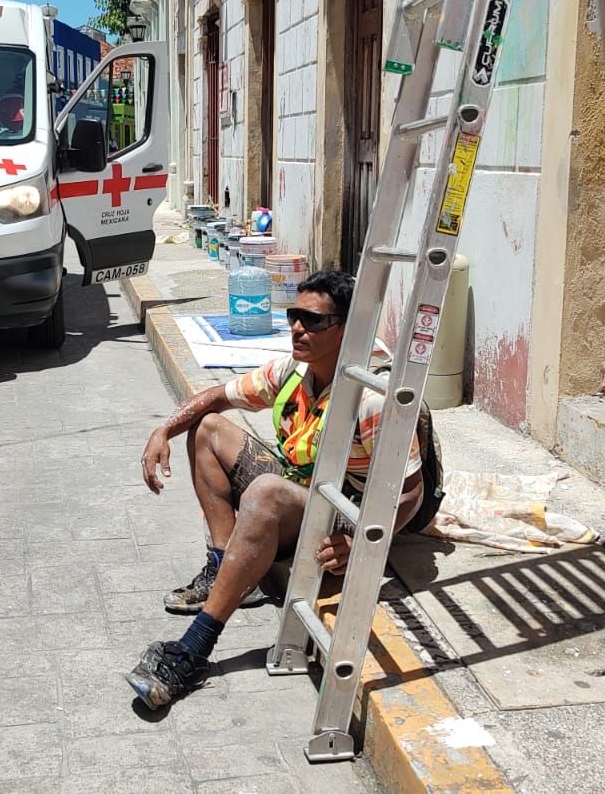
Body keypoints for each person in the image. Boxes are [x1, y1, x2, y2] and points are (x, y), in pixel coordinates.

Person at [125, 269, 440, 709]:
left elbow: (410, 492)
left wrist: (362, 542)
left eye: (313, 321)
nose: (296, 328)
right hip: (304, 488)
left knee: (267, 491)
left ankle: (193, 652)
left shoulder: (372, 397)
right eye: (294, 315)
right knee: (207, 428)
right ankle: (224, 566)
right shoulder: (299, 367)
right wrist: (163, 430)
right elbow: (217, 397)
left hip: (343, 512)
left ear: (348, 330)